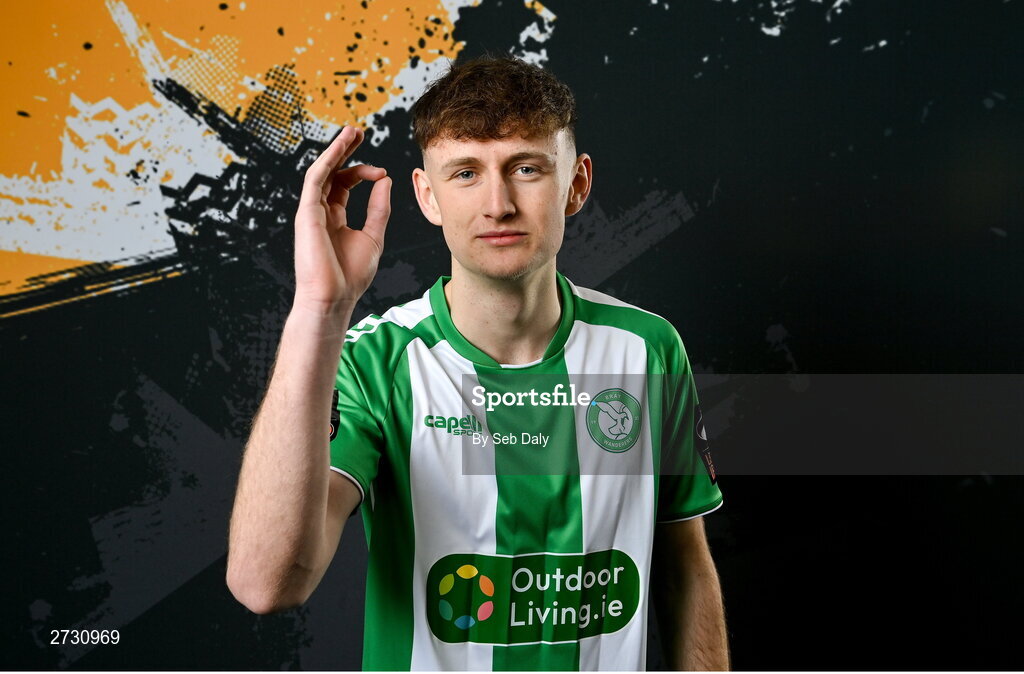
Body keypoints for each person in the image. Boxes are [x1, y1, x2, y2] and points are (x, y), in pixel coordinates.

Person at [227, 55, 728, 671]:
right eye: (465, 172)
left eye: (525, 168)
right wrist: (319, 309)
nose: (498, 204)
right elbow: (267, 585)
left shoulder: (647, 349)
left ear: (577, 182)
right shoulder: (372, 362)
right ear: (427, 196)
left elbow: (685, 565)